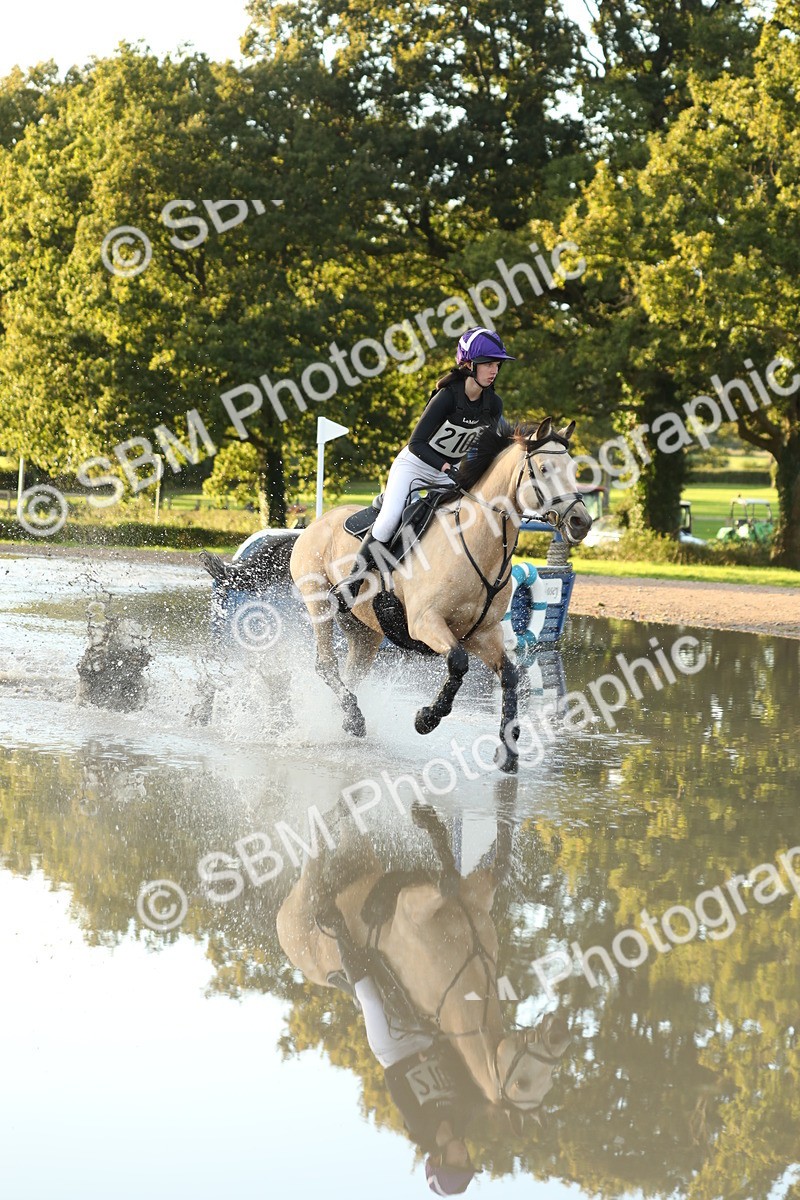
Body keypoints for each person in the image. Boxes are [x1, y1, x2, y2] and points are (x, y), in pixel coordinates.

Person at [334, 326, 515, 605]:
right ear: (468, 365)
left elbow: (485, 448)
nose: (494, 370)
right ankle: (353, 582)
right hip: (414, 466)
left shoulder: (494, 404)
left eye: (497, 365)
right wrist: (447, 469)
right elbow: (417, 443)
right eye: (488, 364)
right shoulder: (446, 397)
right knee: (389, 520)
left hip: (449, 473)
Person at [317, 901, 482, 1195]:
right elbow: (461, 1068)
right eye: (467, 1161)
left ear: (440, 1160)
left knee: (368, 997)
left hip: (394, 1051)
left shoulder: (419, 1126)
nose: (464, 1156)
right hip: (428, 1042)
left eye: (458, 1162)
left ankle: (337, 925)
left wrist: (415, 1060)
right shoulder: (465, 1112)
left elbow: (394, 1080)